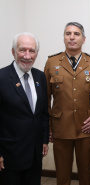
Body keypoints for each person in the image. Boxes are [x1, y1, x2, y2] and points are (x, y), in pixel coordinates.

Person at [44, 22, 90, 185]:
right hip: (61, 127)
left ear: (84, 39)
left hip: (86, 126)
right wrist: (48, 127)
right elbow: (45, 98)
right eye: (68, 33)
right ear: (64, 38)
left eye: (76, 34)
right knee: (62, 174)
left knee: (86, 174)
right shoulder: (52, 62)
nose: (72, 37)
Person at [0, 32, 49, 185]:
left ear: (36, 53)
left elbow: (43, 113)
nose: (27, 56)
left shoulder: (40, 77)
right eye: (22, 50)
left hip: (35, 154)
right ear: (13, 52)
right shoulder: (2, 78)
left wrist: (44, 140)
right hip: (9, 155)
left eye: (32, 51)